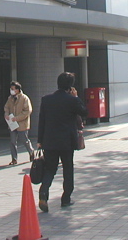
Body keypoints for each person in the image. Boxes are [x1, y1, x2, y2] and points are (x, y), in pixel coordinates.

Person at [37, 72, 88, 212]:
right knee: (68, 169)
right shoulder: (72, 100)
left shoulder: (46, 99)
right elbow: (84, 112)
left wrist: (40, 140)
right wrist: (76, 97)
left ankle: (43, 192)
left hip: (50, 141)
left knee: (50, 169)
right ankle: (66, 199)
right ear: (70, 86)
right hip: (67, 142)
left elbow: (42, 121)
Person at [4, 81, 35, 165]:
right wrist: (6, 114)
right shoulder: (10, 98)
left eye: (13, 89)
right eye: (11, 89)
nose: (11, 90)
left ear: (18, 89)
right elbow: (6, 107)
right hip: (12, 124)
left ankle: (31, 152)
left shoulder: (24, 98)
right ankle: (14, 159)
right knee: (12, 141)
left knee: (24, 140)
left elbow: (27, 111)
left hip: (22, 123)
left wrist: (17, 118)